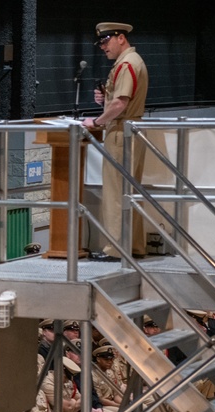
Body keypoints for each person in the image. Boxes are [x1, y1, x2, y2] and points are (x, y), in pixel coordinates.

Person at [82, 22, 148, 261]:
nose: (103, 47)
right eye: (100, 43)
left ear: (121, 38)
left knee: (116, 191)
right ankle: (133, 246)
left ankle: (117, 250)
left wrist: (97, 122)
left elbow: (121, 105)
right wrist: (104, 100)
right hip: (129, 129)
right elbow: (119, 101)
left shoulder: (128, 63)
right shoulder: (130, 62)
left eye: (106, 41)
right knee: (130, 191)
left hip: (121, 132)